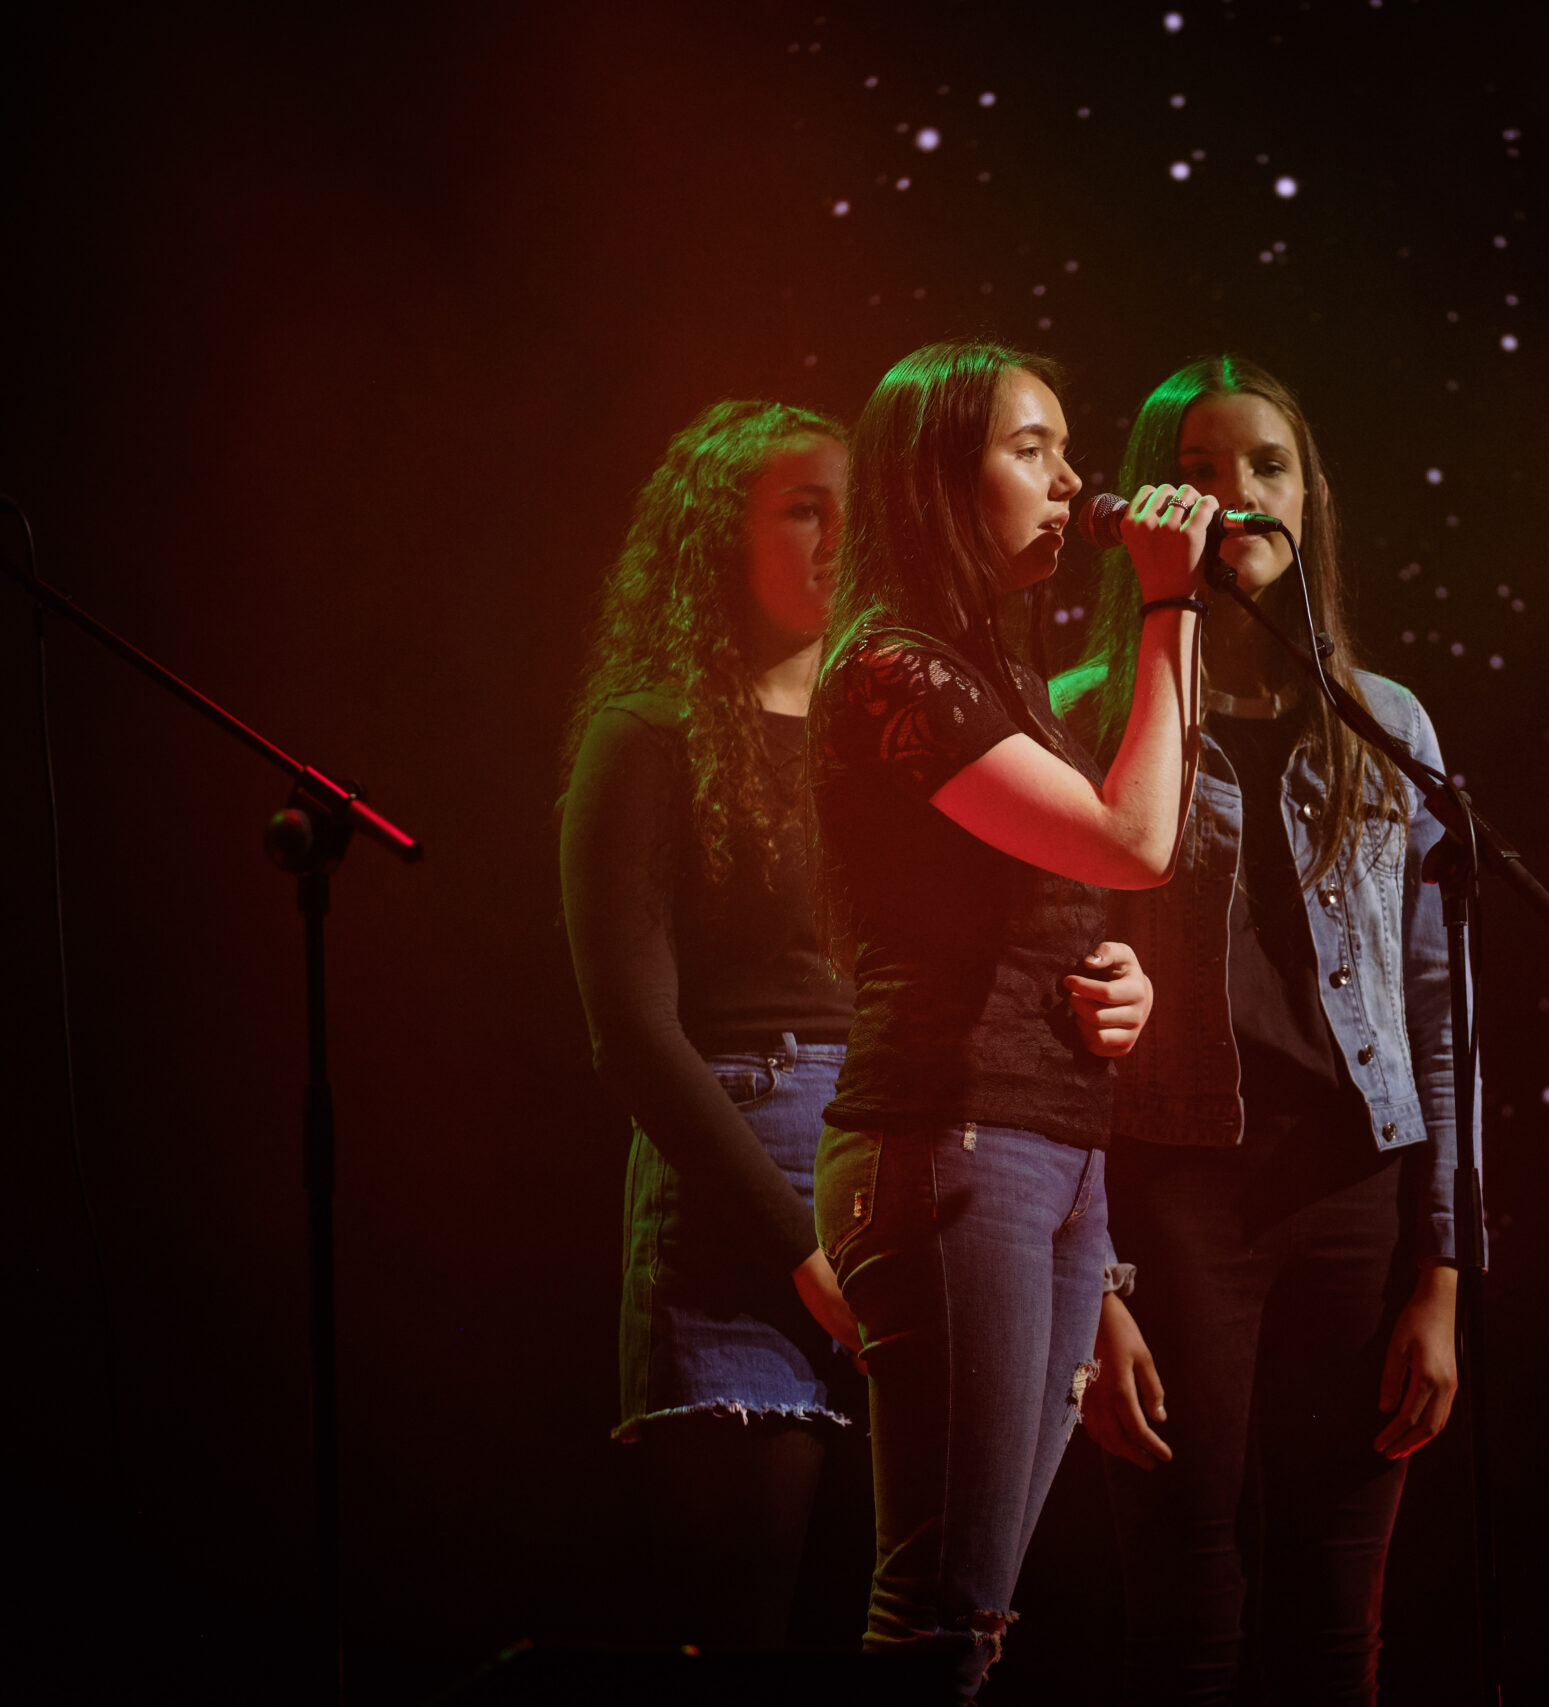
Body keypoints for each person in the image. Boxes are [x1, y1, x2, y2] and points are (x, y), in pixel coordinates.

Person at [1056, 354, 1467, 1705]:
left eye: (1266, 466)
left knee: (1336, 1616)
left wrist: (1441, 1275)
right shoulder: (1084, 714)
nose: (1236, 494)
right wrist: (1091, 1283)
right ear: (1149, 504)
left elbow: (1438, 1011)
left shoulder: (1387, 723)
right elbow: (1041, 1022)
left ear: (1311, 499)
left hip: (1356, 1194)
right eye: (1199, 470)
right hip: (1174, 1197)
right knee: (1186, 1604)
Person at [807, 339, 1208, 1700]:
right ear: (936, 476)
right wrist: (1168, 605)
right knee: (939, 1614)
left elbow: (1067, 885)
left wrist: (1112, 974)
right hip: (950, 1144)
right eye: (1031, 449)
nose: (1072, 481)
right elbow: (1135, 838)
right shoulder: (892, 672)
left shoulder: (1000, 675)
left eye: (1066, 449)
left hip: (1049, 1152)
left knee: (974, 1623)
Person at [557, 399, 864, 1648]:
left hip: (900, 1175)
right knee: (739, 1630)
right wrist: (799, 1250)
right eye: (804, 510)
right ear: (716, 538)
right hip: (740, 1198)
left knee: (908, 1625)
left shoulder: (892, 738)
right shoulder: (648, 736)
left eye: (854, 512)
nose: (840, 539)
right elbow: (632, 1034)